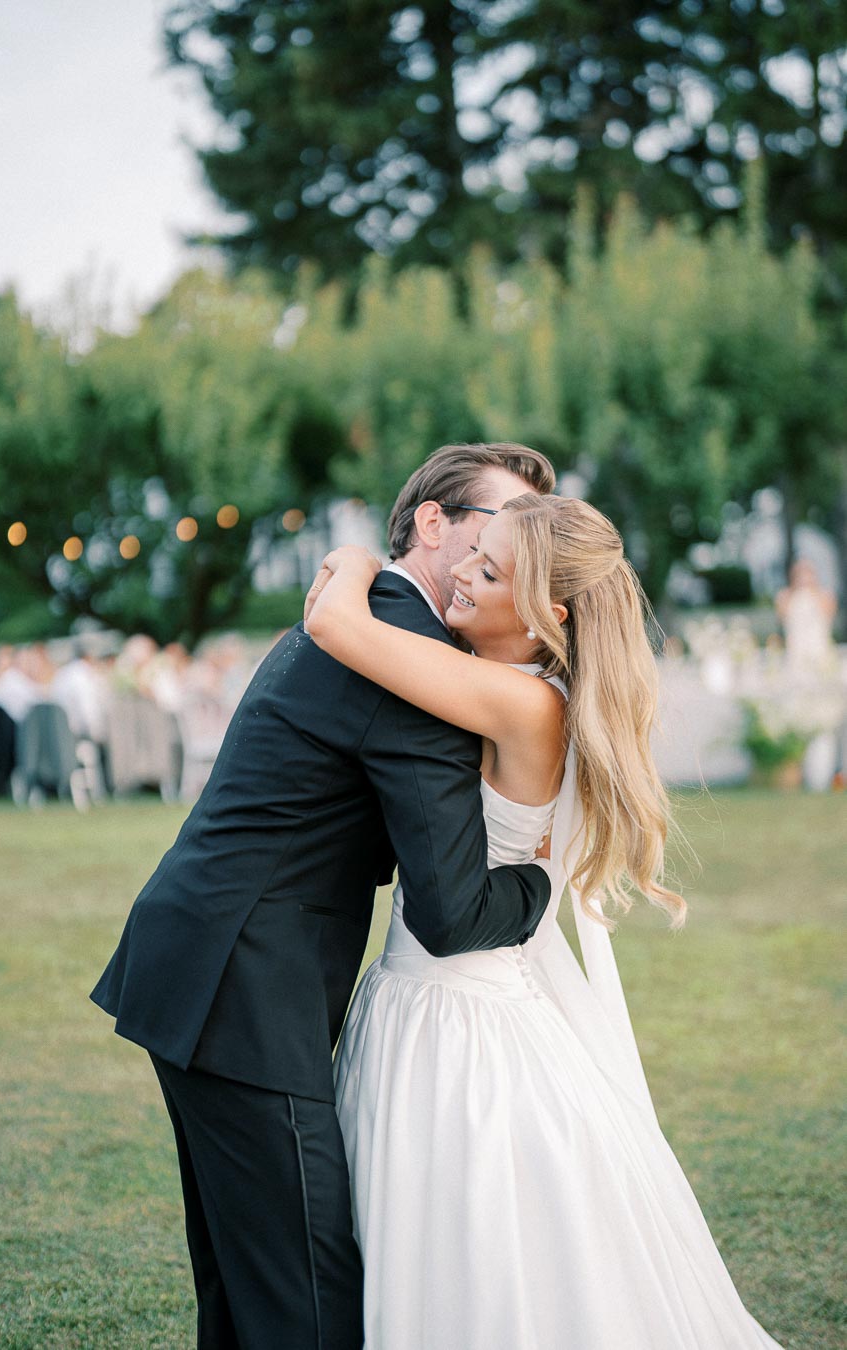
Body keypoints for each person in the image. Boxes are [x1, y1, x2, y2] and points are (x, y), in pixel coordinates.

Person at [90, 442, 557, 1350]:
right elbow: (455, 911)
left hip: (206, 961)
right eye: (496, 533)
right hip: (243, 988)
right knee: (307, 1290)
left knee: (244, 1276)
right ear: (434, 523)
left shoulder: (366, 609)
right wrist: (541, 888)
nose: (502, 557)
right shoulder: (404, 657)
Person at [304, 493, 784, 1350]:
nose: (461, 572)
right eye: (471, 555)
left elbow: (339, 629)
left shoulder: (521, 700)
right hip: (424, 994)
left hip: (456, 1016)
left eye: (488, 571)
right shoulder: (532, 689)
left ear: (545, 615)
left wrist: (352, 559)